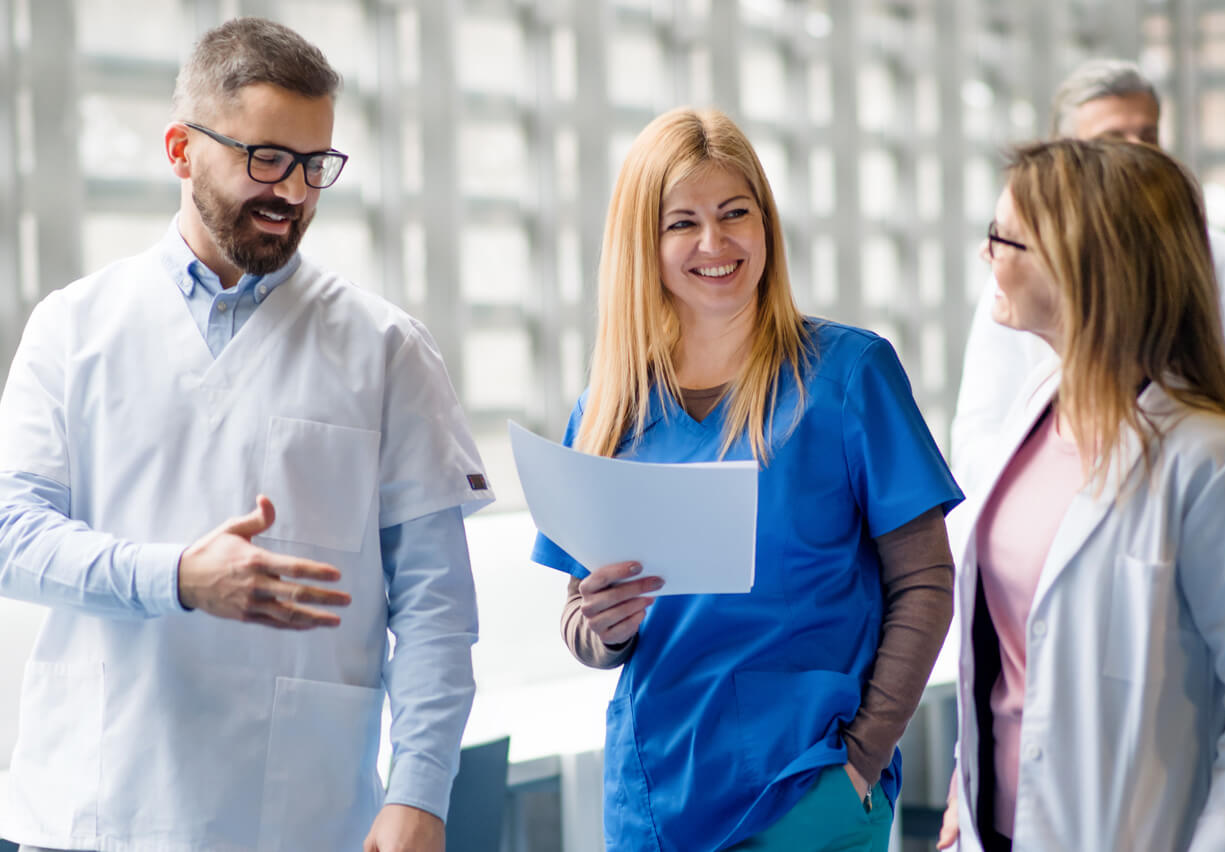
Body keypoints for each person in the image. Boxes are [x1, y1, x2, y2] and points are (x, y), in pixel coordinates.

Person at [0, 18, 492, 852]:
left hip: (302, 817)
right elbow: (12, 535)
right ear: (180, 149)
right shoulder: (74, 327)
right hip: (98, 809)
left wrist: (421, 791)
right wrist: (179, 576)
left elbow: (437, 607)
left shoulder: (387, 349)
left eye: (314, 166)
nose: (293, 193)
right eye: (265, 158)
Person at [529, 107, 964, 852]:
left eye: (737, 213)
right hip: (655, 798)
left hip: (806, 787)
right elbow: (580, 616)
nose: (714, 243)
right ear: (644, 241)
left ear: (767, 225)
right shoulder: (610, 406)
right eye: (682, 223)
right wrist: (601, 630)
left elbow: (925, 581)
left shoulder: (848, 376)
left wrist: (862, 759)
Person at [936, 139, 1225, 851]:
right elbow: (1007, 642)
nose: (988, 256)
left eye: (1003, 238)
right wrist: (966, 774)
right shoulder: (1035, 407)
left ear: (1081, 267)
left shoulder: (1207, 460)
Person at [950, 58, 1225, 492]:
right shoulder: (1015, 277)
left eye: (1149, 134)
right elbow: (979, 431)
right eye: (1111, 139)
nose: (1138, 151)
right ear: (1064, 159)